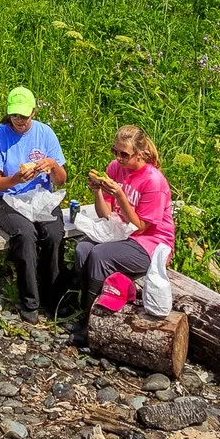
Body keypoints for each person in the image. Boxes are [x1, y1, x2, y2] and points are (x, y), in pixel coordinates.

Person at [73, 124, 176, 348]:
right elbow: (105, 214)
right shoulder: (114, 168)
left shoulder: (153, 181)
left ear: (140, 153)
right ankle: (85, 307)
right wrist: (97, 190)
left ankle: (91, 321)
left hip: (152, 242)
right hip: (121, 232)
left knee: (100, 255)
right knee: (83, 249)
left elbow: (140, 226)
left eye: (125, 154)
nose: (119, 158)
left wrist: (120, 195)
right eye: (115, 152)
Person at [0, 86, 68, 318]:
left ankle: (53, 297)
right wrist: (14, 179)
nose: (19, 121)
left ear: (34, 113)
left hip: (41, 196)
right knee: (25, 234)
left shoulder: (45, 133)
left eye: (24, 116)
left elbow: (61, 180)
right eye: (15, 116)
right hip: (8, 199)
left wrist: (52, 165)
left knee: (53, 234)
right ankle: (30, 301)